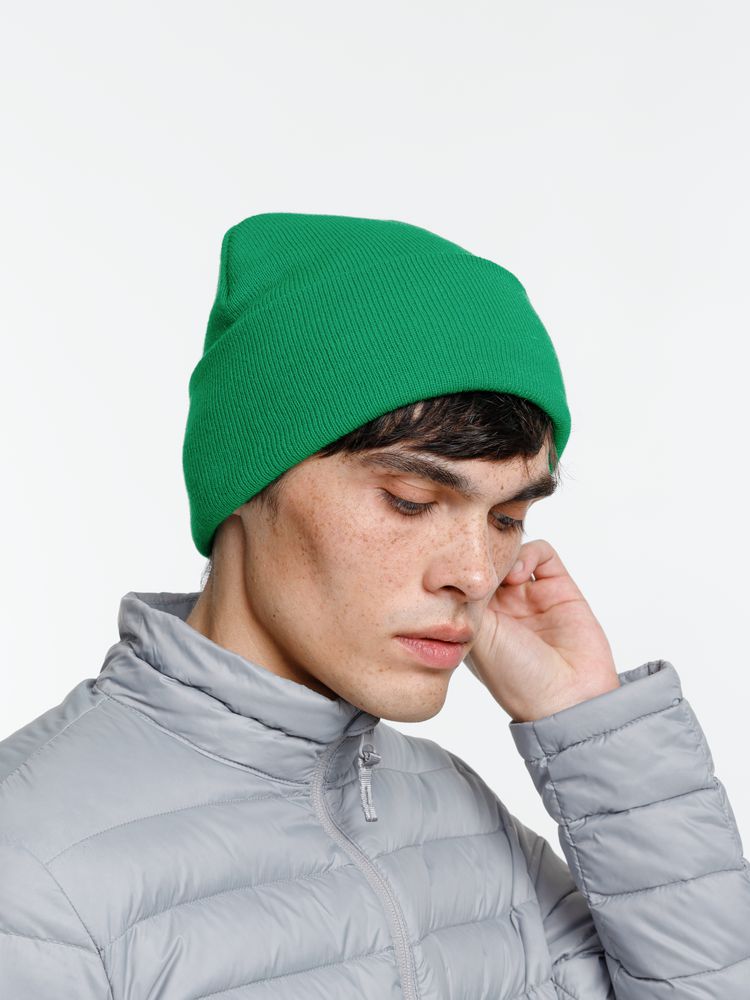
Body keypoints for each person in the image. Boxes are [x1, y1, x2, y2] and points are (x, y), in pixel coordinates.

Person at [1, 212, 747, 999]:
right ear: (247, 482)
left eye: (506, 518)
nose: (476, 573)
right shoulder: (31, 871)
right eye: (410, 500)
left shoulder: (458, 818)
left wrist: (589, 724)